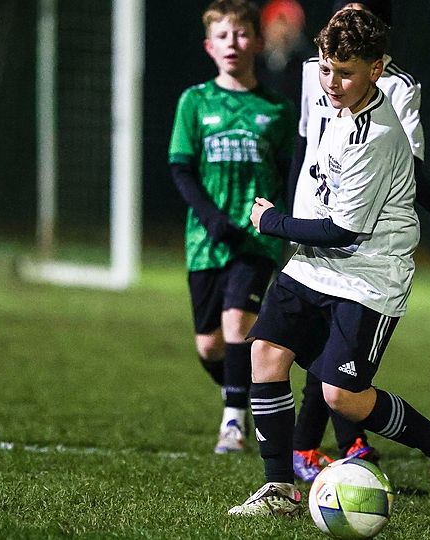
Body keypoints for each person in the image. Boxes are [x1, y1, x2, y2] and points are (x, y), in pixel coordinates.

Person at [228, 8, 430, 522]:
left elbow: (345, 231)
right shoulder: (336, 102)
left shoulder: (377, 135)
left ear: (376, 69)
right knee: (265, 355)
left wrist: (273, 221)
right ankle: (278, 487)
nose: (332, 81)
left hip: (369, 275)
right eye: (326, 68)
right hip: (313, 264)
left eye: (345, 72)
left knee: (342, 397)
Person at [289, 0, 430, 483]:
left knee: (335, 356)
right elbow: (305, 144)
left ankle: (326, 445)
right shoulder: (315, 69)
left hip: (363, 239)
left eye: (360, 14)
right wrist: (291, 219)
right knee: (287, 348)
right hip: (313, 230)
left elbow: (408, 169)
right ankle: (304, 453)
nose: (347, 23)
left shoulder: (398, 88)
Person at [168, 0, 295, 454]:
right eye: (222, 36)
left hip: (256, 238)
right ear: (209, 46)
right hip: (206, 240)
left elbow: (291, 174)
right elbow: (181, 168)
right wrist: (211, 218)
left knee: (239, 322)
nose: (232, 44)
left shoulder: (278, 109)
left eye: (241, 34)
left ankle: (233, 426)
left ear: (258, 42)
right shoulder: (194, 101)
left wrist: (284, 222)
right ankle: (246, 395)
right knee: (209, 346)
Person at [255, 0, 312, 108]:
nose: (285, 31)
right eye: (281, 23)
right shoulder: (252, 63)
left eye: (293, 25)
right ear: (266, 26)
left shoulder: (306, 66)